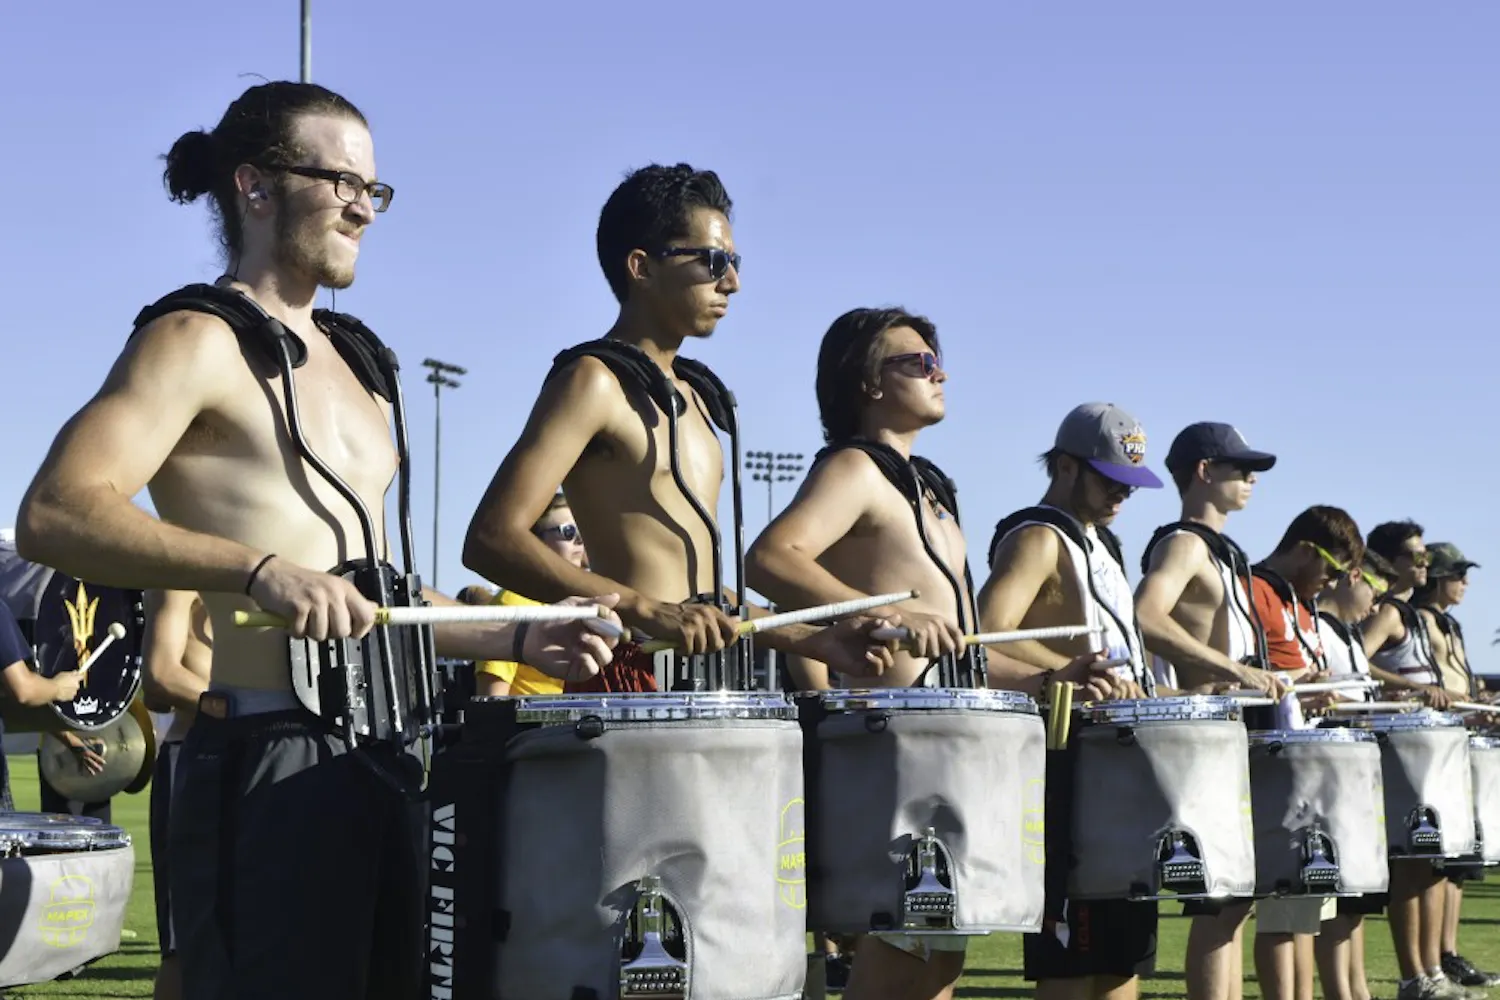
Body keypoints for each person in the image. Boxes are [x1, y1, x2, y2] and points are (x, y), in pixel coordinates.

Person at [13, 81, 622, 1000]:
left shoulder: (359, 362)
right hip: (266, 757)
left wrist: (517, 635)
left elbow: (371, 593)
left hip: (387, 757)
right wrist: (257, 571)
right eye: (339, 180)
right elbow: (55, 510)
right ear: (254, 186)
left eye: (374, 188)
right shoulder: (194, 337)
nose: (363, 207)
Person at [746, 309, 1122, 1000]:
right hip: (894, 751)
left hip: (945, 747)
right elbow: (770, 557)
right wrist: (879, 608)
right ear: (866, 381)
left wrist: (1049, 676)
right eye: (916, 362)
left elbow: (965, 648)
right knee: (903, 952)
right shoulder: (856, 469)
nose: (938, 371)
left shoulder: (931, 486)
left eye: (936, 358)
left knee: (939, 957)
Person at [464, 163, 897, 692]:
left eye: (734, 262)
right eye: (713, 261)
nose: (732, 282)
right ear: (642, 267)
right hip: (624, 676)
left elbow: (702, 595)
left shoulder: (694, 399)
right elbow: (491, 537)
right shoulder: (593, 381)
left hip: (711, 685)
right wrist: (644, 609)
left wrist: (814, 638)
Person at [978, 402, 1161, 1000]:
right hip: (1068, 765)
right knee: (1073, 966)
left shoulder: (1100, 543)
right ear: (1064, 466)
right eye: (1110, 480)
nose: (1121, 496)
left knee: (1121, 960)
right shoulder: (1037, 536)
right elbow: (984, 639)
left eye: (1129, 485)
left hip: (1115, 765)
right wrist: (1062, 672)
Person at [1133, 422, 1284, 1000]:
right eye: (1240, 468)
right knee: (1220, 904)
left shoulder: (1221, 550)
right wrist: (1235, 671)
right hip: (1210, 741)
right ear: (1203, 471)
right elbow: (1146, 614)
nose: (1251, 479)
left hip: (1236, 734)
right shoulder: (1186, 543)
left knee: (1235, 902)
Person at [1247, 506, 1364, 1000]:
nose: (1334, 583)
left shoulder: (1299, 601)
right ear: (1303, 548)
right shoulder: (1255, 588)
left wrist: (1311, 689)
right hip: (1273, 765)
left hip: (1310, 765)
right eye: (1332, 570)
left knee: (1308, 906)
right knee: (1279, 907)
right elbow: (1243, 671)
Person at [1359, 522, 1472, 1000]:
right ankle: (1414, 977)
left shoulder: (1414, 614)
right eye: (1417, 557)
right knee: (1410, 861)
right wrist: (1411, 688)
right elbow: (1354, 660)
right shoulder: (1387, 612)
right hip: (1401, 748)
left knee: (1429, 863)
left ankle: (1432, 972)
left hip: (1429, 748)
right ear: (1391, 561)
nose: (1426, 565)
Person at [1412, 544, 1498, 992]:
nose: (1464, 583)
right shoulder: (1416, 618)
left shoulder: (1449, 622)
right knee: (1437, 860)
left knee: (1459, 861)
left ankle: (1447, 951)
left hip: (1459, 739)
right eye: (1456, 575)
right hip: (1435, 742)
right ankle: (1434, 959)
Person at [1312, 549, 1397, 1000]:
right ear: (1354, 577)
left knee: (1357, 901)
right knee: (1336, 901)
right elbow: (1321, 696)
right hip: (1330, 772)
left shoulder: (1346, 634)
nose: (1378, 608)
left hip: (1358, 771)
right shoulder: (1318, 629)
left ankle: (1355, 989)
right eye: (1376, 593)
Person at [140, 589, 213, 1000]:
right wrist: (233, 707)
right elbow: (160, 679)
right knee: (181, 943)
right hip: (191, 757)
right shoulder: (180, 575)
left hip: (256, 757)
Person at [474, 492, 591, 696]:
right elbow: (491, 700)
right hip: (533, 727)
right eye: (568, 531)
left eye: (583, 530)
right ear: (534, 541)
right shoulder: (513, 603)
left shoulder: (585, 602)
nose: (579, 540)